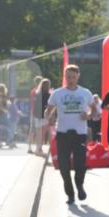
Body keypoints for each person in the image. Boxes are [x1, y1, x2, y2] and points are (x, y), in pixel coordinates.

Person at [46, 65, 97, 204]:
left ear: (78, 77)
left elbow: (94, 111)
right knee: (63, 166)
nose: (70, 80)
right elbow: (48, 110)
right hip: (63, 133)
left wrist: (88, 115)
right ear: (65, 76)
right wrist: (50, 117)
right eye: (68, 77)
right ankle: (70, 194)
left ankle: (79, 185)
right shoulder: (57, 93)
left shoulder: (85, 93)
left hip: (79, 133)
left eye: (73, 77)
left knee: (80, 164)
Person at [34, 79, 52, 154]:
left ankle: (38, 149)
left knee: (39, 134)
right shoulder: (49, 95)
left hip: (38, 116)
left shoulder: (37, 94)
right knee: (42, 134)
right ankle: (39, 149)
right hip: (44, 116)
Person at [27, 76, 43, 153]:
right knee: (38, 131)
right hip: (37, 113)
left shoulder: (33, 91)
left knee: (32, 130)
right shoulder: (39, 91)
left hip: (33, 112)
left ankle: (30, 147)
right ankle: (38, 148)